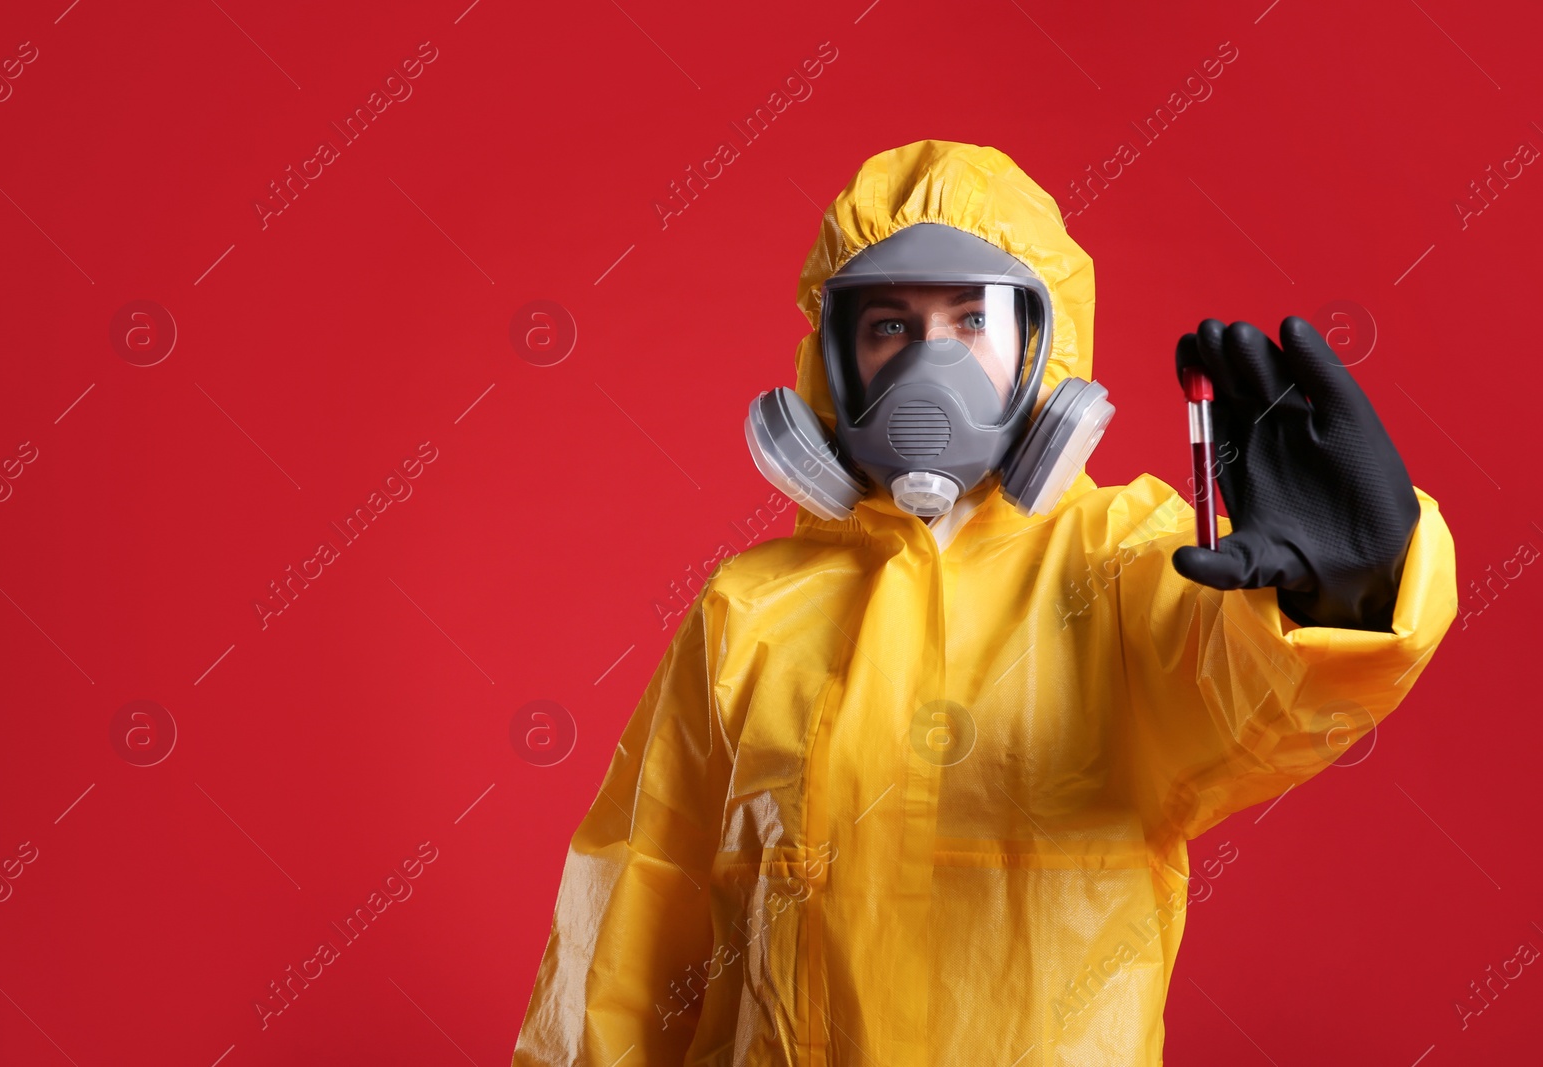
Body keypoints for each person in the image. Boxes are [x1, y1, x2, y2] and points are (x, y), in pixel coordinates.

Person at [511, 140, 1457, 1065]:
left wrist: (1344, 591)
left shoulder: (1125, 565)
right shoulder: (747, 610)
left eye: (973, 321)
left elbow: (1255, 700)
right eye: (889, 325)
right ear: (833, 359)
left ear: (1044, 351)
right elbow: (640, 908)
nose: (934, 363)